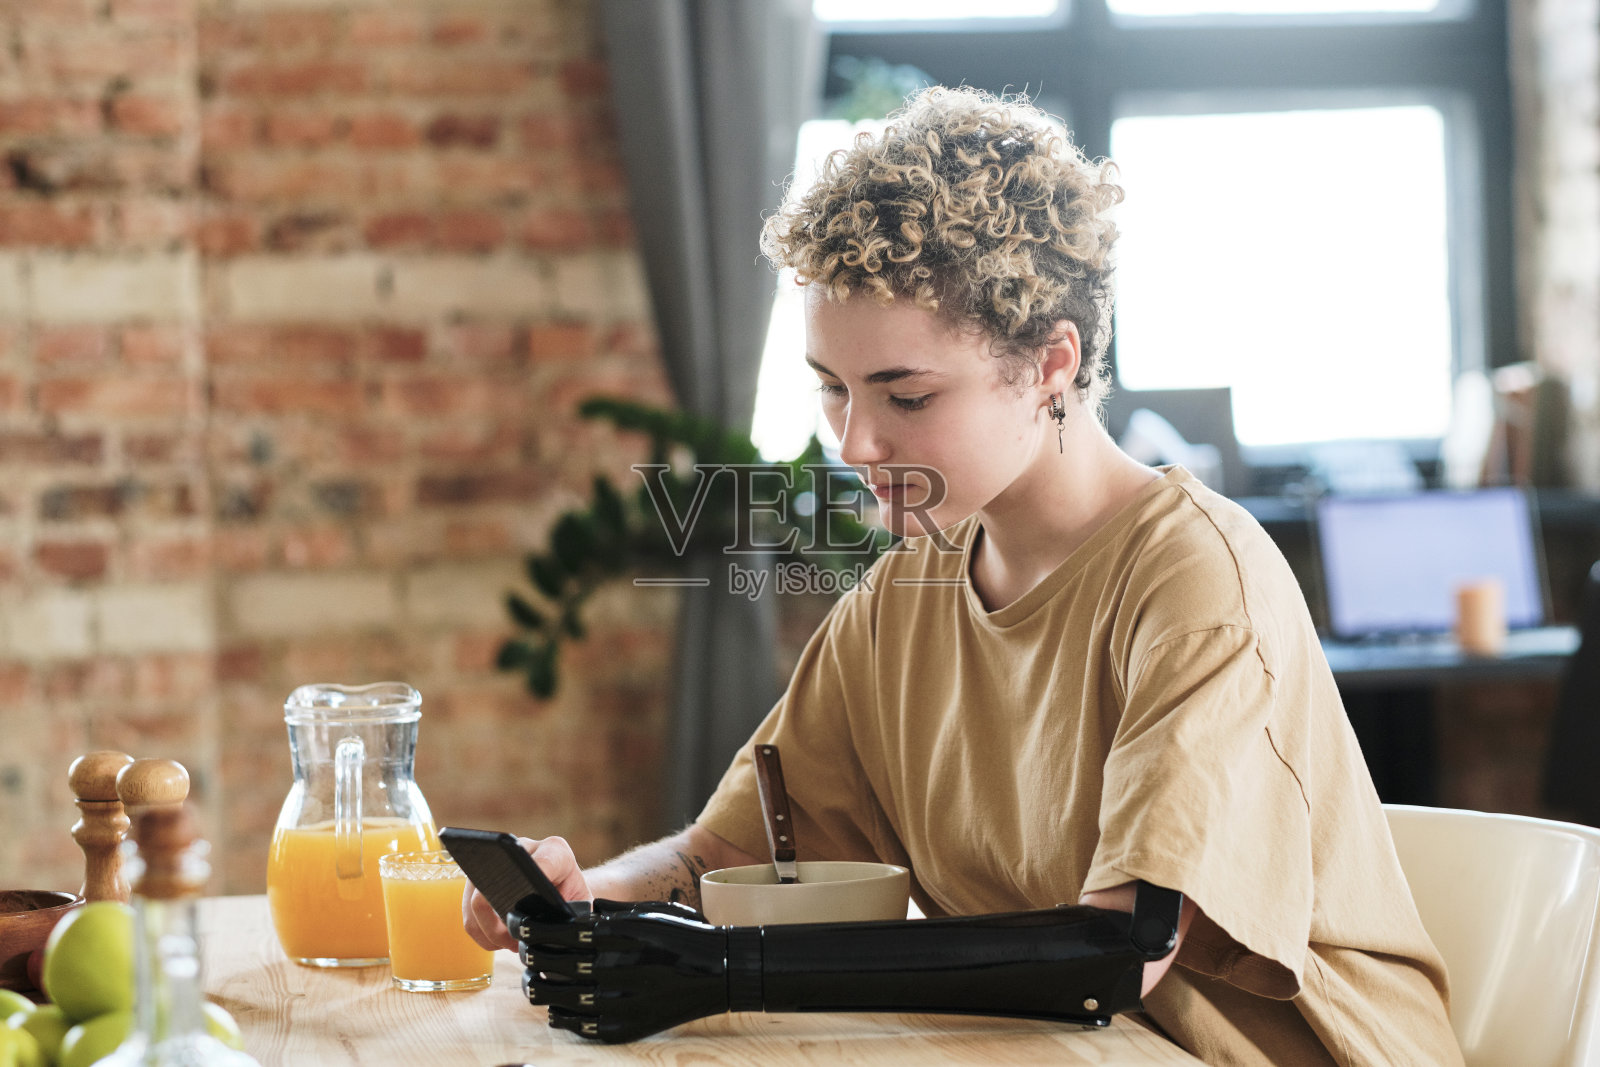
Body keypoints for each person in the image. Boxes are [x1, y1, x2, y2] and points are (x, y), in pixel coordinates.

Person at [466, 86, 1463, 1065]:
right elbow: (721, 859)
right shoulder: (904, 599)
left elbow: (1114, 953)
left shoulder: (1196, 579)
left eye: (906, 394)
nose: (855, 438)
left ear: (1050, 364)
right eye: (831, 389)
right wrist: (589, 897)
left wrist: (731, 971)